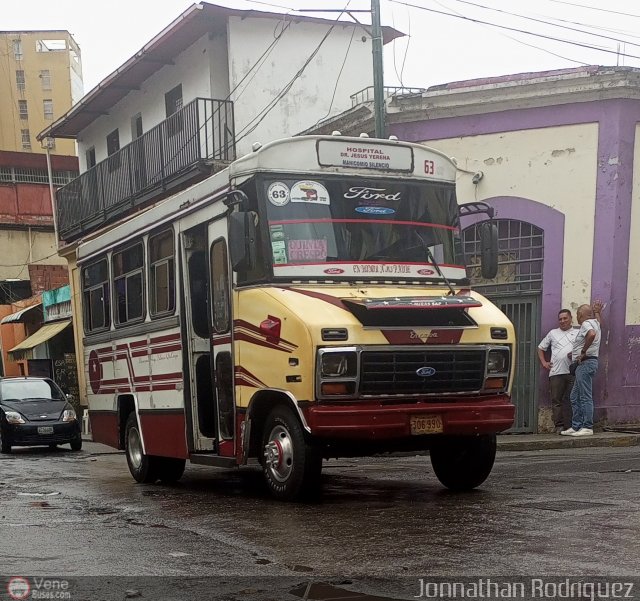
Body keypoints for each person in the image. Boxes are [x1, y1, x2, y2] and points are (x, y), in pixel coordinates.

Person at [561, 302, 602, 437]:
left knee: (585, 396)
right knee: (574, 396)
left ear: (581, 315)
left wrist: (583, 352)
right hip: (585, 364)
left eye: (578, 314)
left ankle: (587, 427)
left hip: (585, 363)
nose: (577, 317)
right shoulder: (595, 322)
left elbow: (591, 335)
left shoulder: (586, 324)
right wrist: (597, 312)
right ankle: (576, 425)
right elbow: (597, 325)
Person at [537, 309, 577, 433]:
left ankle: (571, 426)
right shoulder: (553, 333)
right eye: (560, 319)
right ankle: (559, 425)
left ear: (571, 318)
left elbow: (587, 344)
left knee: (571, 399)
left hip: (572, 371)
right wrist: (544, 362)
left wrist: (576, 354)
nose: (562, 321)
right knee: (556, 400)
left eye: (565, 318)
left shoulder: (578, 332)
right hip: (556, 372)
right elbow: (540, 347)